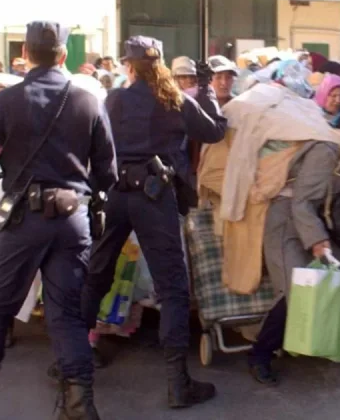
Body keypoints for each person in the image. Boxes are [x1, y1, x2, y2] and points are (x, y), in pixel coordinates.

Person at [0, 21, 118, 419]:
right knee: (66, 313)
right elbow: (108, 173)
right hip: (73, 219)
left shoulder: (7, 101)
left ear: (26, 55)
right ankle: (79, 403)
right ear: (64, 55)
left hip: (25, 218)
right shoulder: (88, 100)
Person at [81, 35, 227, 409]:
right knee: (173, 288)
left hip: (116, 193)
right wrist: (206, 87)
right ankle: (177, 383)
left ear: (129, 65)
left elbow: (95, 146)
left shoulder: (114, 98)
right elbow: (214, 130)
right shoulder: (175, 99)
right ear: (160, 64)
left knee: (98, 271)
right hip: (153, 195)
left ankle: (72, 360)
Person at [247, 100, 340, 386]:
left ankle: (310, 342)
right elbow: (302, 202)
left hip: (320, 225)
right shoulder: (328, 150)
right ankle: (260, 354)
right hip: (289, 223)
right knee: (297, 286)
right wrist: (317, 241)